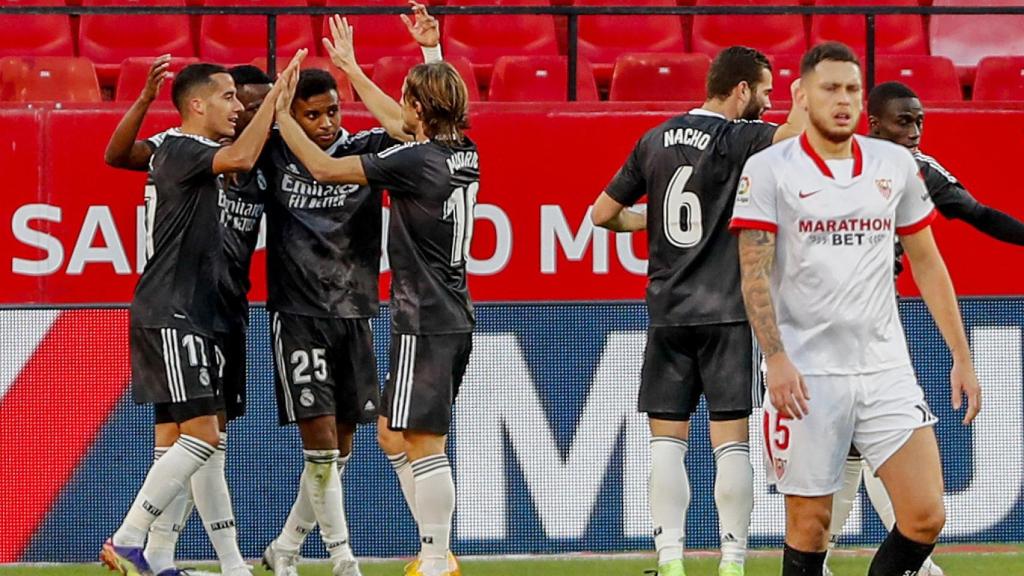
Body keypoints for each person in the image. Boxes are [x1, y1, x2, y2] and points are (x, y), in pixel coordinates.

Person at [730, 42, 981, 576]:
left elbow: (928, 263)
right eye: (830, 88)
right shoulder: (769, 169)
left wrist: (962, 355)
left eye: (851, 89)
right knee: (810, 524)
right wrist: (775, 358)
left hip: (885, 369)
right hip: (806, 373)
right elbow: (753, 271)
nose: (842, 100)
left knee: (925, 515)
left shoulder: (893, 165)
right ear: (802, 94)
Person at [590, 46, 802, 576]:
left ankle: (670, 559)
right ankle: (732, 559)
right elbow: (797, 133)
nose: (769, 102)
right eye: (765, 92)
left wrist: (650, 224)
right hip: (729, 314)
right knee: (730, 443)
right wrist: (805, 90)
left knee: (667, 442)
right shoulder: (738, 137)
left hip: (668, 314)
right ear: (740, 91)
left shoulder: (654, 138)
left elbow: (600, 214)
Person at [274, 37, 477, 575]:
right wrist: (354, 70)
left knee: (425, 442)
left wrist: (280, 116)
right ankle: (437, 552)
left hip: (424, 316)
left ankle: (436, 559)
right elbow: (410, 121)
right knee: (391, 434)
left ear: (417, 108)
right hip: (454, 311)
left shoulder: (413, 160)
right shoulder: (462, 151)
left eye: (407, 100)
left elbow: (321, 168)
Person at [100, 52, 305, 576]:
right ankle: (128, 539)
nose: (237, 106)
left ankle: (175, 561)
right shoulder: (188, 147)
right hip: (175, 309)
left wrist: (145, 100)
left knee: (181, 442)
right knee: (204, 436)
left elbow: (120, 154)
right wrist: (278, 97)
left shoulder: (181, 147)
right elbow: (238, 159)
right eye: (228, 97)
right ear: (196, 105)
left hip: (194, 310)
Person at [823, 80, 1024, 576]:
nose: (914, 132)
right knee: (827, 487)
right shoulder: (818, 162)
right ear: (871, 123)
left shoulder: (917, 172)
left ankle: (917, 566)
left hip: (877, 339)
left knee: (887, 463)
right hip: (815, 343)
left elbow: (974, 215)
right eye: (903, 121)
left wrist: (961, 355)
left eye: (919, 122)